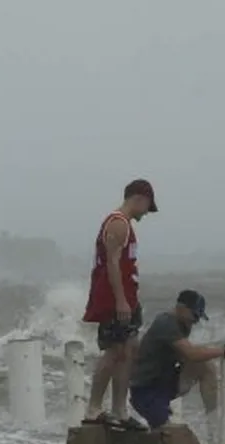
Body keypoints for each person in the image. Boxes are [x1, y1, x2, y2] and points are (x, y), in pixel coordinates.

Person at [80, 178, 158, 430]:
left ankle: (120, 410)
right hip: (115, 301)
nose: (146, 213)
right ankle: (93, 408)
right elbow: (112, 265)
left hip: (128, 299)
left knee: (129, 350)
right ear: (139, 199)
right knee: (113, 351)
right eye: (147, 206)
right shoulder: (118, 224)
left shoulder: (126, 226)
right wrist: (121, 301)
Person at [129, 289, 225, 444]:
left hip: (164, 383)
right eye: (195, 316)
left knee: (206, 367)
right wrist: (224, 351)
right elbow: (191, 353)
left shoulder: (183, 324)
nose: (196, 321)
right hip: (146, 392)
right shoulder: (166, 323)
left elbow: (187, 357)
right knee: (167, 437)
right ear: (181, 308)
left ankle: (213, 430)